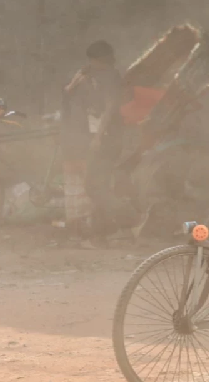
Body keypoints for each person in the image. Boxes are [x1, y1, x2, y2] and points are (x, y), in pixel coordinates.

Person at [62, 40, 139, 248]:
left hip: (108, 138)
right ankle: (105, 235)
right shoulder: (94, 76)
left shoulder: (110, 77)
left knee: (93, 186)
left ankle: (129, 220)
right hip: (101, 137)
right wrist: (76, 82)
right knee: (99, 186)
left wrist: (98, 137)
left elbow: (110, 108)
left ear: (103, 59)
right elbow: (70, 95)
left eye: (94, 60)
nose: (91, 64)